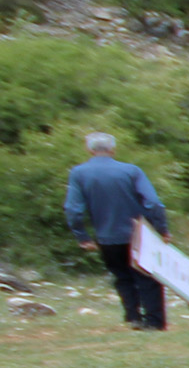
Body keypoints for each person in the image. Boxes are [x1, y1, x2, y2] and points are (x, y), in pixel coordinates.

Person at [63, 130, 170, 332]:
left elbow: (73, 209)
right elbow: (153, 203)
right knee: (147, 277)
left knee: (121, 276)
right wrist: (161, 228)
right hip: (138, 234)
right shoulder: (131, 171)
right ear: (113, 149)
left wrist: (82, 236)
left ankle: (133, 317)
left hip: (106, 236)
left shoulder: (78, 173)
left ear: (89, 149)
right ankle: (154, 322)